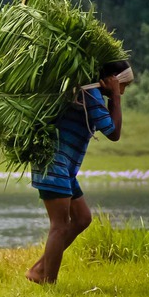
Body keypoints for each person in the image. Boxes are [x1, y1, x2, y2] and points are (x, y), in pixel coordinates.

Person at [26, 60, 134, 284]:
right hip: (54, 164)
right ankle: (48, 282)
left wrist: (113, 94)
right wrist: (115, 97)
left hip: (64, 169)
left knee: (82, 218)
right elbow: (113, 133)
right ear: (112, 80)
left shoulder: (86, 92)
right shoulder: (90, 95)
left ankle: (39, 269)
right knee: (59, 225)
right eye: (123, 84)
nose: (123, 90)